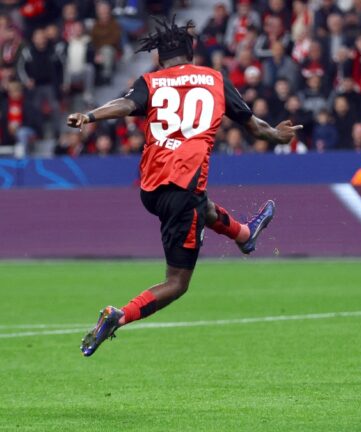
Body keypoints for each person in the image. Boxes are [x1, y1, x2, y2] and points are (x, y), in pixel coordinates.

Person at [68, 17, 301, 357]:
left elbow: (125, 105)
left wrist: (89, 116)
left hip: (151, 189)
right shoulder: (215, 80)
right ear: (191, 54)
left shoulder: (151, 81)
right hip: (183, 190)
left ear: (161, 58)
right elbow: (254, 126)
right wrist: (278, 135)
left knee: (202, 207)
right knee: (177, 283)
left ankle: (243, 235)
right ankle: (119, 316)